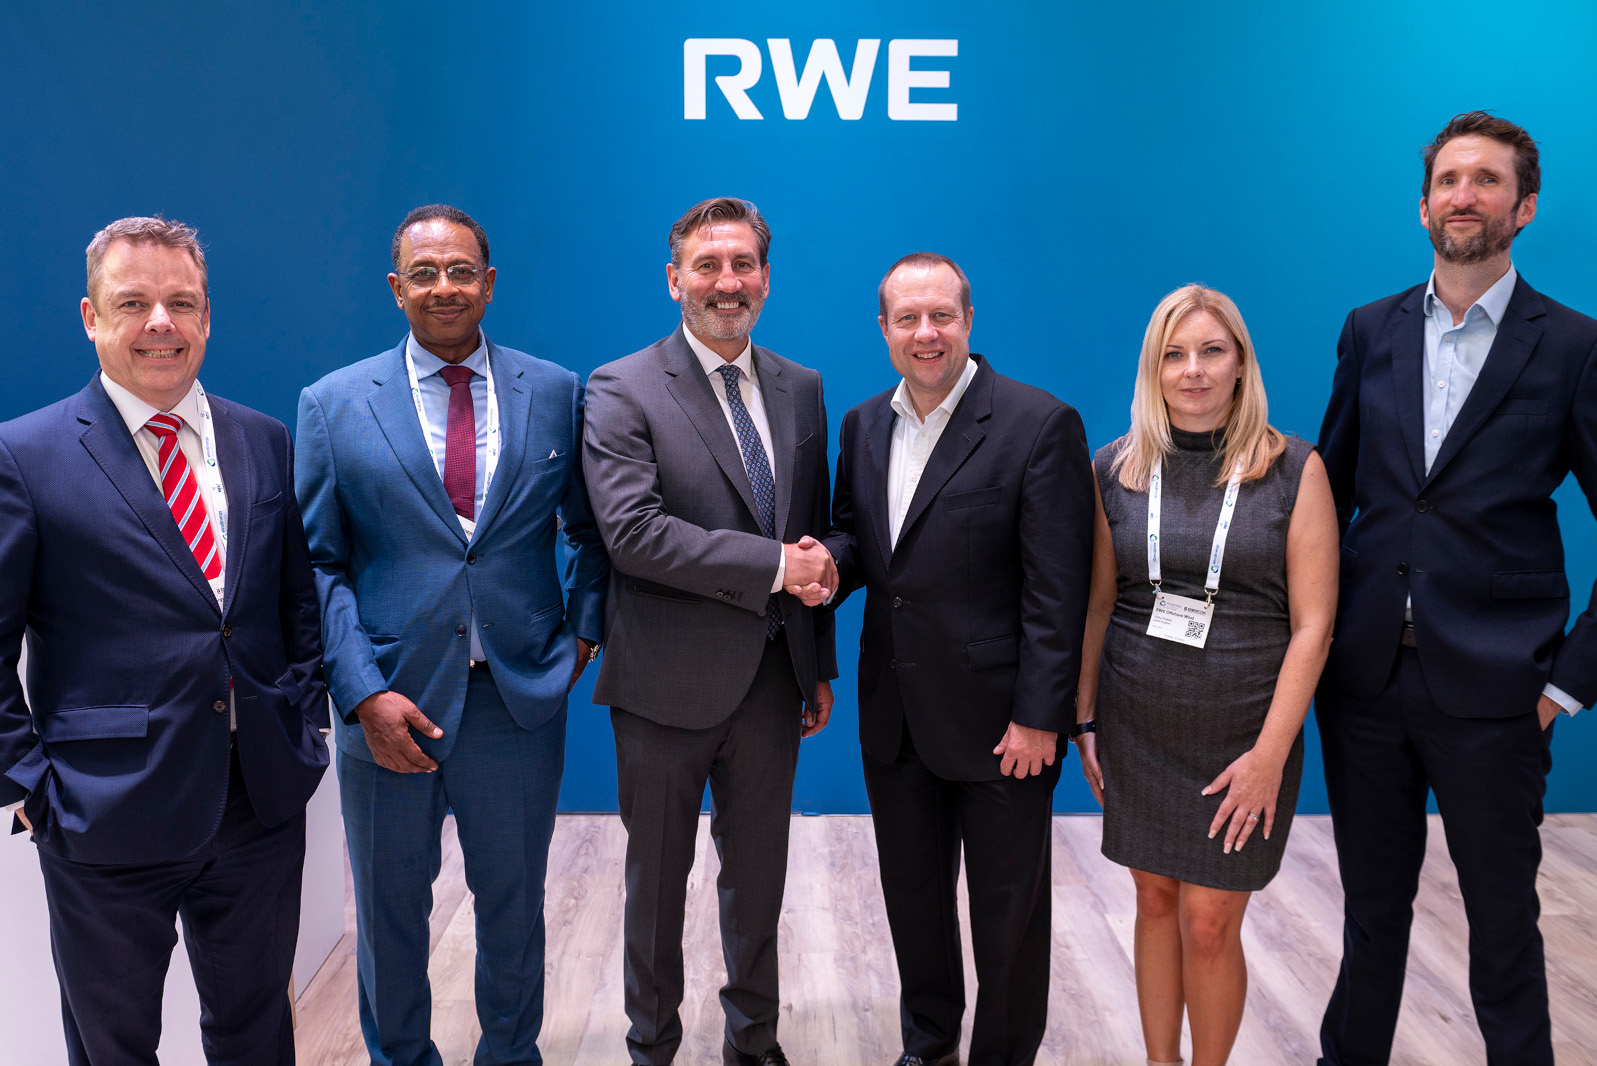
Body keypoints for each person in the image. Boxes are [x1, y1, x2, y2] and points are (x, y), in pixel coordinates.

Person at [0, 216, 328, 1065]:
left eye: (181, 303)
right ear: (89, 317)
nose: (160, 323)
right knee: (115, 1046)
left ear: (208, 317)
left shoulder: (262, 439)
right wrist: (29, 781)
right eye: (133, 302)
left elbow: (295, 603)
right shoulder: (26, 455)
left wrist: (302, 718)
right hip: (102, 810)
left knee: (256, 1030)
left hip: (257, 801)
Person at [1314, 111, 1597, 1066]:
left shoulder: (1573, 347)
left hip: (1497, 693)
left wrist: (1565, 686)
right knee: (1370, 916)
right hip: (1363, 686)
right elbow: (1328, 495)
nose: (1463, 196)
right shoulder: (1371, 330)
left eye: (1485, 181)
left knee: (1504, 930)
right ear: (1423, 204)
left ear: (1523, 207)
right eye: (1448, 181)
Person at [295, 204, 608, 1066]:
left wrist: (580, 635)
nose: (445, 288)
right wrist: (361, 692)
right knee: (391, 913)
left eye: (461, 271)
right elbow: (318, 565)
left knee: (513, 905)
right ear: (397, 288)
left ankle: (510, 1056)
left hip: (516, 698)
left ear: (489, 282)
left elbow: (591, 531)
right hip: (389, 704)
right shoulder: (331, 405)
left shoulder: (554, 391)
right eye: (425, 274)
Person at [582, 197, 837, 1066]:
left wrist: (819, 661)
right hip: (661, 686)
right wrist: (776, 568)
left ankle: (754, 1045)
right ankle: (650, 1047)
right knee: (656, 888)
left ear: (765, 277)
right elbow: (634, 534)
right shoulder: (620, 387)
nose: (726, 283)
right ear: (674, 279)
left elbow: (813, 528)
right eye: (708, 265)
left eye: (743, 265)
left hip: (773, 683)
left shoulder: (801, 387)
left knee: (758, 883)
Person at [824, 252, 1095, 1066]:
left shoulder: (1037, 423)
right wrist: (817, 566)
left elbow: (1060, 590)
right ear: (884, 330)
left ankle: (1003, 1055)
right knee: (912, 898)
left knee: (1007, 914)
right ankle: (929, 1042)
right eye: (907, 319)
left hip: (1002, 727)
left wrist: (1039, 717)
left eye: (941, 315)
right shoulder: (865, 424)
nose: (926, 333)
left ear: (969, 322)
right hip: (896, 717)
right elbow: (862, 544)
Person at [1072, 285, 1338, 1066]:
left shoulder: (1294, 471)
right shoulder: (1114, 469)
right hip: (1137, 724)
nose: (1193, 371)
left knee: (1211, 924)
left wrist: (1269, 758)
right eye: (1174, 354)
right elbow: (1097, 604)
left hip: (1244, 739)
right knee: (1153, 902)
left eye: (1211, 352)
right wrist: (1085, 720)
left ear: (1241, 364)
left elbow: (1314, 626)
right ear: (1153, 369)